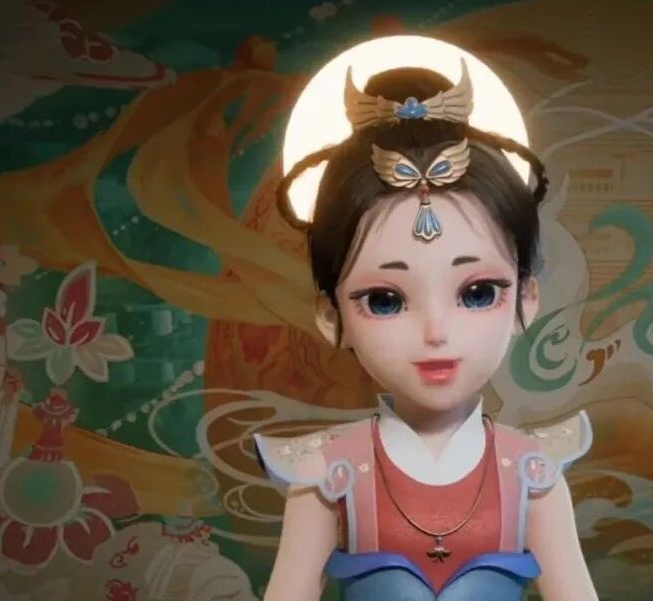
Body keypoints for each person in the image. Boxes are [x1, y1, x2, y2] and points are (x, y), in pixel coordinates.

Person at [253, 39, 600, 601]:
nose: (436, 331)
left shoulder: (533, 473)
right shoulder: (325, 475)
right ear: (330, 315)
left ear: (527, 299)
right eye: (385, 300)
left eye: (478, 292)